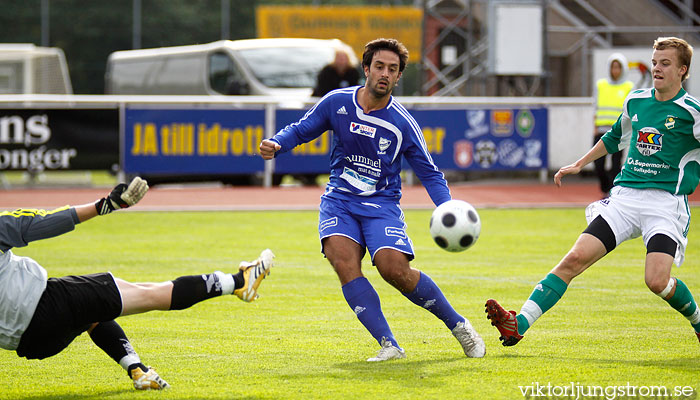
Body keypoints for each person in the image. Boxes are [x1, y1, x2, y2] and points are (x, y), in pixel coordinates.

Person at [260, 38, 485, 362]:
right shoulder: (337, 103)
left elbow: (430, 173)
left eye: (392, 69)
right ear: (366, 69)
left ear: (397, 78)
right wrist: (277, 143)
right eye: (379, 66)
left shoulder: (403, 123)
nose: (385, 73)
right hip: (339, 199)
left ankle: (460, 326)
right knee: (343, 260)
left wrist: (447, 207)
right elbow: (301, 129)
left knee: (393, 269)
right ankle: (389, 345)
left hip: (381, 206)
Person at [486, 37, 700, 348]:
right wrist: (578, 163)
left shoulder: (692, 112)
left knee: (656, 281)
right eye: (654, 62)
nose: (657, 68)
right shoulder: (636, 100)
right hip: (625, 198)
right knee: (573, 259)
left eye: (665, 63)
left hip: (665, 205)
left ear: (682, 70)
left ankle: (697, 322)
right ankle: (517, 324)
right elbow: (614, 137)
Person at [0, 177, 274, 389]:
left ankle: (137, 370)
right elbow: (46, 222)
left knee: (93, 311)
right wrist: (105, 205)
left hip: (29, 346)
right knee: (151, 293)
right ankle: (239, 282)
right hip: (47, 304)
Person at [593, 53, 634, 196]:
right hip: (601, 130)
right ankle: (605, 189)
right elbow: (595, 107)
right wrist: (595, 127)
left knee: (616, 165)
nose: (615, 70)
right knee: (598, 165)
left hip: (619, 132)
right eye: (613, 67)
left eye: (618, 67)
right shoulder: (601, 85)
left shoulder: (629, 86)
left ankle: (612, 192)